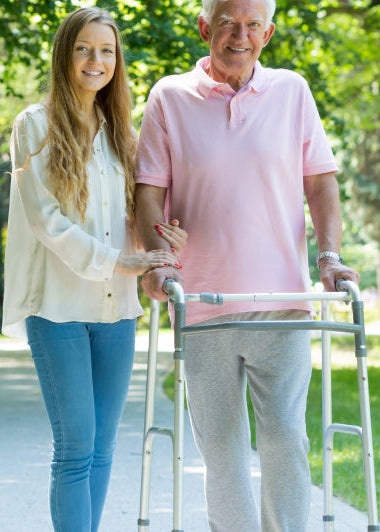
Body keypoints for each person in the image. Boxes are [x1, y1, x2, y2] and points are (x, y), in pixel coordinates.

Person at [134, 0, 360, 530]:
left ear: (269, 32)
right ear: (204, 27)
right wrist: (159, 261)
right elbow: (149, 191)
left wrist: (330, 257)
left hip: (281, 302)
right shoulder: (169, 96)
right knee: (222, 450)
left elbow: (321, 181)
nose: (240, 35)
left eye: (253, 24)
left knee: (285, 435)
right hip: (203, 305)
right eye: (228, 23)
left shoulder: (292, 91)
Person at [1, 7, 187, 532]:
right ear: (65, 54)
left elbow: (133, 218)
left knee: (104, 448)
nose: (95, 60)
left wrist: (163, 237)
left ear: (116, 61)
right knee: (76, 446)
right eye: (84, 48)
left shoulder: (122, 133)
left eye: (106, 50)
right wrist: (115, 261)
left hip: (116, 312)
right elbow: (46, 221)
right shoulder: (33, 124)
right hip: (57, 309)